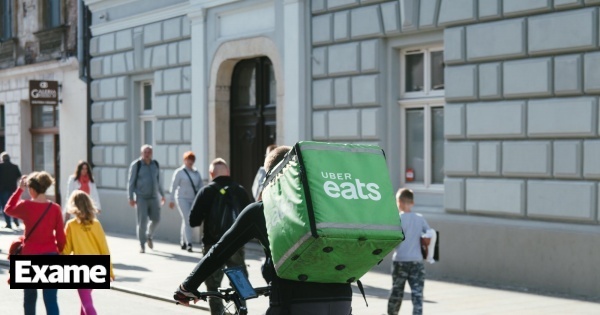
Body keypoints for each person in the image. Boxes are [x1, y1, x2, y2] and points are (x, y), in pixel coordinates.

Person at [174, 146, 353, 315]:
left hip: (293, 302)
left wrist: (187, 287)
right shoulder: (324, 207)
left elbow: (220, 251)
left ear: (269, 177)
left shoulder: (263, 210)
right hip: (342, 300)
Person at [186, 158, 251, 315]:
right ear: (228, 172)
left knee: (212, 285)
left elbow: (193, 221)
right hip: (235, 244)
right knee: (239, 281)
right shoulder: (240, 191)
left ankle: (217, 312)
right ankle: (242, 310)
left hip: (212, 245)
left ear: (211, 173)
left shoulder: (206, 192)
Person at [5, 171, 66, 315]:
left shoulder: (26, 206)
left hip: (29, 257)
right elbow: (61, 237)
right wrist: (60, 252)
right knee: (51, 300)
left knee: (30, 299)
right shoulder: (55, 208)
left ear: (32, 189)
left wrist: (19, 189)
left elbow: (8, 209)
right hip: (51, 256)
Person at [62, 190, 114, 315]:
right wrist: (110, 271)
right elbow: (104, 248)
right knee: (85, 300)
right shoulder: (96, 224)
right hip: (97, 267)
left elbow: (66, 250)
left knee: (87, 303)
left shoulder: (71, 225)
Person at [387, 188, 433, 315]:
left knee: (397, 291)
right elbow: (429, 234)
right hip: (417, 261)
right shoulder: (420, 218)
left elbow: (392, 239)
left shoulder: (397, 219)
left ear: (399, 202)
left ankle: (392, 313)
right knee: (417, 294)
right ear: (412, 203)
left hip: (400, 260)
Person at [127, 144, 165, 253]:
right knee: (142, 222)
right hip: (141, 198)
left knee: (156, 219)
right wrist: (130, 197)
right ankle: (142, 244)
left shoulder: (155, 164)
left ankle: (149, 235)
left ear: (151, 153)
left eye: (149, 152)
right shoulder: (137, 165)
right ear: (141, 153)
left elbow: (158, 181)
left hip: (153, 197)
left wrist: (162, 194)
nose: (147, 154)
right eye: (145, 152)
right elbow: (131, 182)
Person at [168, 151, 203, 252]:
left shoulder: (196, 172)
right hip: (182, 198)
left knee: (186, 220)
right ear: (184, 160)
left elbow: (201, 186)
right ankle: (189, 243)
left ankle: (182, 241)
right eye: (188, 159)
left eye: (192, 160)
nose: (190, 161)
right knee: (188, 219)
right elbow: (173, 186)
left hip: (193, 199)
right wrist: (171, 199)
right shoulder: (180, 172)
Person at [0, 152, 22, 229]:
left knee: (5, 207)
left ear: (2, 159)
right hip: (13, 189)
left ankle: (8, 223)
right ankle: (16, 221)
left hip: (2, 189)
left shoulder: (0, 166)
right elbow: (19, 176)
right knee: (13, 205)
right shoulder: (15, 166)